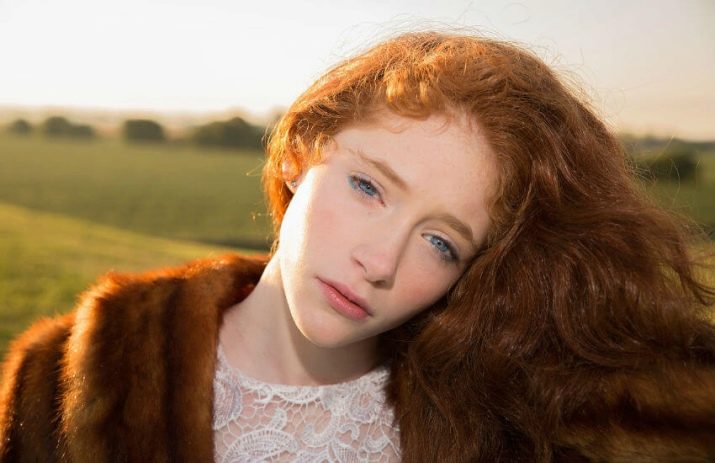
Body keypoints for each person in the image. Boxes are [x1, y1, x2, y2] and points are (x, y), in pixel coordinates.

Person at [1, 31, 714, 463]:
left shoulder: (504, 417)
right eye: (369, 187)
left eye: (440, 242)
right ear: (298, 154)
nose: (380, 263)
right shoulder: (70, 379)